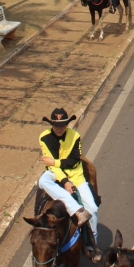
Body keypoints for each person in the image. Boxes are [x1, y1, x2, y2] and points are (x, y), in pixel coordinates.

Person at [37, 108, 100, 258]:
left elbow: (73, 161)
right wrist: (64, 181)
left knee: (92, 208)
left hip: (76, 175)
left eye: (63, 125)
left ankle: (92, 245)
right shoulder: (44, 138)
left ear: (67, 124)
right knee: (42, 180)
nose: (59, 128)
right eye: (56, 125)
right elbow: (49, 165)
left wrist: (55, 162)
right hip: (55, 174)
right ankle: (76, 210)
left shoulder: (75, 136)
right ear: (51, 124)